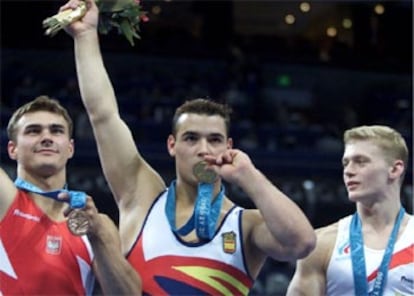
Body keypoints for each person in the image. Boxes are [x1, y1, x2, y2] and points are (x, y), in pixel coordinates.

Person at [62, 0, 316, 294]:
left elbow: (302, 243)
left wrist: (250, 175)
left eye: (215, 139)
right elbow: (103, 116)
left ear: (229, 147)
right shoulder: (141, 196)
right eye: (191, 138)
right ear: (172, 144)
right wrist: (85, 36)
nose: (203, 149)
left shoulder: (245, 225)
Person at [0, 95, 142, 295]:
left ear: (70, 148)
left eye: (56, 131)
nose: (46, 137)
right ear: (12, 149)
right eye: (34, 131)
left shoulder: (98, 225)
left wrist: (97, 236)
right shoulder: (5, 200)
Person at [287, 125, 414, 295]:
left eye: (360, 162)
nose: (348, 171)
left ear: (395, 169)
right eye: (346, 163)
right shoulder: (322, 244)